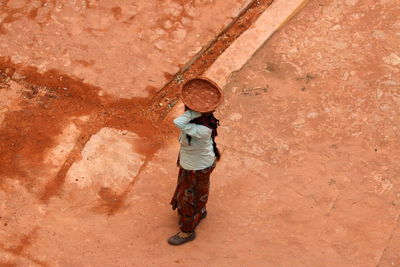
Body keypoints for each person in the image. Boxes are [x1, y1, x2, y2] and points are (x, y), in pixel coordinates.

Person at [168, 106, 220, 245]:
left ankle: (187, 231)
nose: (187, 111)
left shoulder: (203, 129)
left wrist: (194, 111)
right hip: (192, 164)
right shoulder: (202, 122)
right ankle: (201, 211)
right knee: (199, 191)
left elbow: (178, 122)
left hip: (197, 168)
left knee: (186, 198)